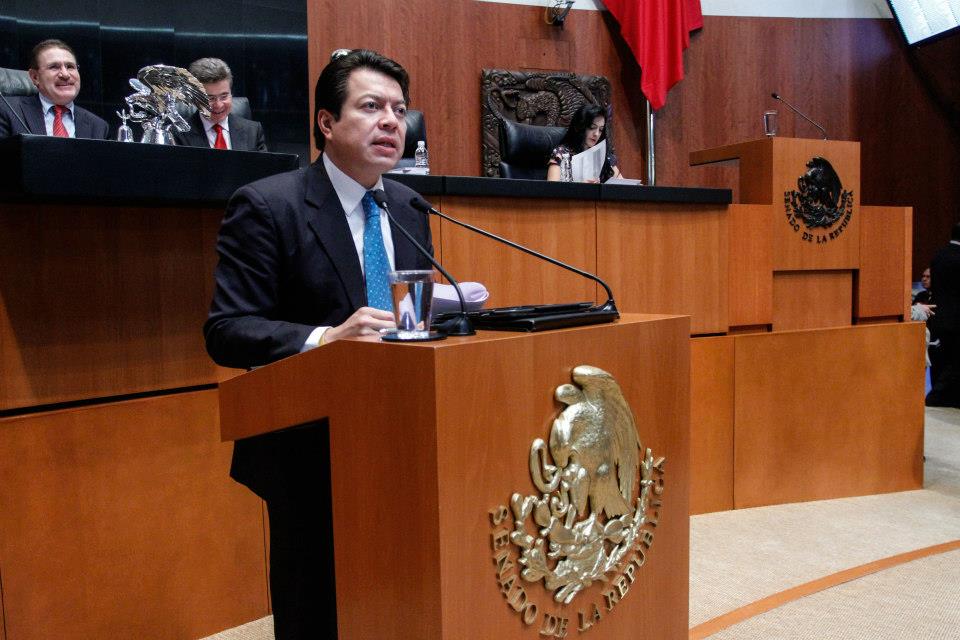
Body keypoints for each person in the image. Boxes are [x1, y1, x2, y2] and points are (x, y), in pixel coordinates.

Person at [203, 49, 432, 639]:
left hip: (402, 429)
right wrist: (327, 338)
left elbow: (409, 316)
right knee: (317, 606)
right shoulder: (268, 205)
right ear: (327, 122)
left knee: (401, 596)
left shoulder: (409, 207)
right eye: (371, 106)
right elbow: (227, 329)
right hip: (308, 442)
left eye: (400, 109)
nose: (392, 121)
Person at [0, 39, 109, 139]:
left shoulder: (98, 127)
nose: (65, 74)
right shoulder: (7, 111)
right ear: (35, 77)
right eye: (54, 67)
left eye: (70, 66)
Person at [174, 57, 267, 151]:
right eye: (210, 98)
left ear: (231, 94)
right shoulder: (177, 134)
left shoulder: (253, 131)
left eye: (224, 96)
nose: (218, 105)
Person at [926, 222, 960, 408]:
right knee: (955, 360)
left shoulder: (939, 255)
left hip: (938, 313)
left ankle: (944, 396)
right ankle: (937, 396)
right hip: (956, 317)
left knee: (940, 358)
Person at [546, 103, 622, 183]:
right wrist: (581, 187)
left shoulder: (604, 155)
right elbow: (552, 187)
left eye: (600, 130)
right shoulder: (561, 153)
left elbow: (620, 184)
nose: (596, 134)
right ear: (579, 127)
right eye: (592, 127)